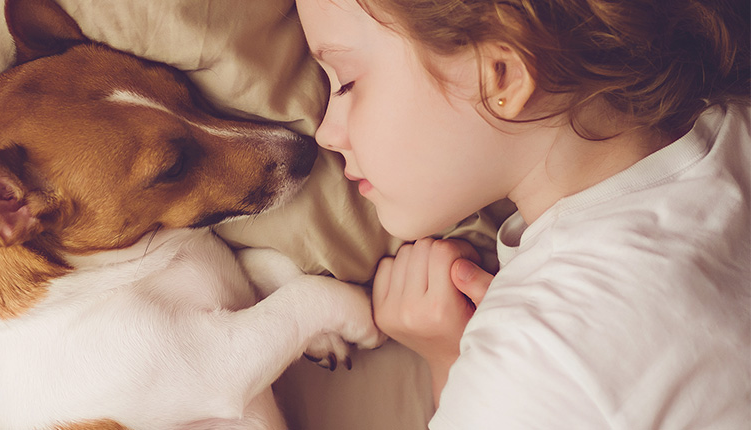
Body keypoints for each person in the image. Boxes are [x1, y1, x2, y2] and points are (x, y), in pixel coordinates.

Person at [294, 0, 750, 427]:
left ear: (502, 76)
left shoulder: (530, 366)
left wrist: (452, 365)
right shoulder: (737, 124)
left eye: (346, 81)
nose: (326, 132)